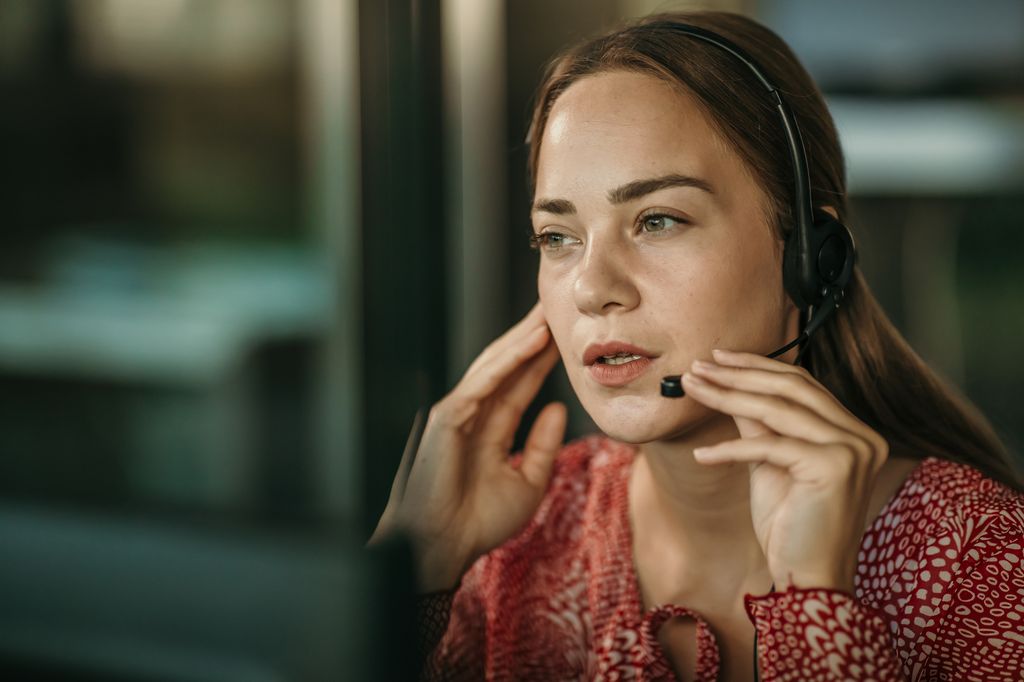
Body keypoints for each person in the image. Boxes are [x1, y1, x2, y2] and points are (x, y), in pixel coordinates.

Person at [369, 10, 1024, 681]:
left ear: (808, 257)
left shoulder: (981, 556)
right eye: (558, 237)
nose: (592, 288)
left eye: (657, 220)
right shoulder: (515, 543)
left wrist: (815, 612)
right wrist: (414, 570)